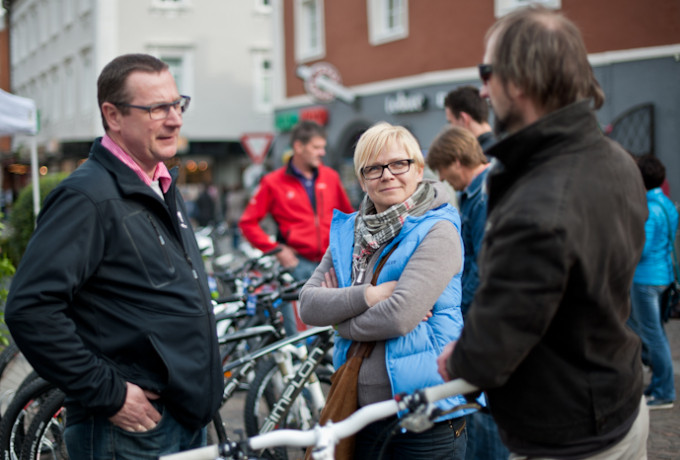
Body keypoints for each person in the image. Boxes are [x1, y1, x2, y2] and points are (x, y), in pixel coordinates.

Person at [437, 6, 650, 459]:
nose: (483, 90)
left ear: (518, 81)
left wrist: (459, 359)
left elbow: (491, 350)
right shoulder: (615, 159)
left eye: (486, 73)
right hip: (618, 400)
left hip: (569, 435)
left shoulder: (538, 204)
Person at [5, 54, 222, 460]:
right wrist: (110, 393)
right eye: (157, 108)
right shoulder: (86, 197)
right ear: (113, 115)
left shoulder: (160, 184)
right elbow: (30, 309)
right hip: (131, 430)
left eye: (178, 104)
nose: (175, 119)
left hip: (181, 418)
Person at [300, 122, 473, 459]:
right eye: (374, 168)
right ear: (362, 179)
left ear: (418, 169)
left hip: (426, 414)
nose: (387, 175)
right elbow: (308, 305)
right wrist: (371, 295)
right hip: (359, 412)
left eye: (399, 164)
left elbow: (399, 316)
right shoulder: (349, 232)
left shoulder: (439, 230)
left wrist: (340, 320)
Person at [427, 126, 508, 460]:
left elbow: (482, 264)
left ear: (457, 161)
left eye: (443, 170)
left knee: (483, 403)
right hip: (485, 308)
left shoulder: (483, 194)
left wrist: (460, 309)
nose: (443, 180)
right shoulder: (482, 190)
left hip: (482, 311)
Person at [239, 120, 353, 335]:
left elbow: (348, 218)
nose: (322, 153)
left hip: (331, 262)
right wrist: (276, 249)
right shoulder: (273, 182)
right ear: (299, 147)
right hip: (296, 265)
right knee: (298, 335)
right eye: (316, 147)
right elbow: (248, 223)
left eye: (323, 147)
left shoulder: (331, 177)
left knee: (334, 329)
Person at [628, 154, 677, 410]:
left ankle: (664, 391)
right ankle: (659, 385)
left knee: (653, 335)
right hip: (662, 276)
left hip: (646, 279)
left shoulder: (649, 209)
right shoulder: (666, 204)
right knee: (655, 333)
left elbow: (642, 248)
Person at [444, 85, 495, 152]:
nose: (450, 128)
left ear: (463, 119)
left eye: (450, 122)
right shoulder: (502, 145)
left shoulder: (478, 155)